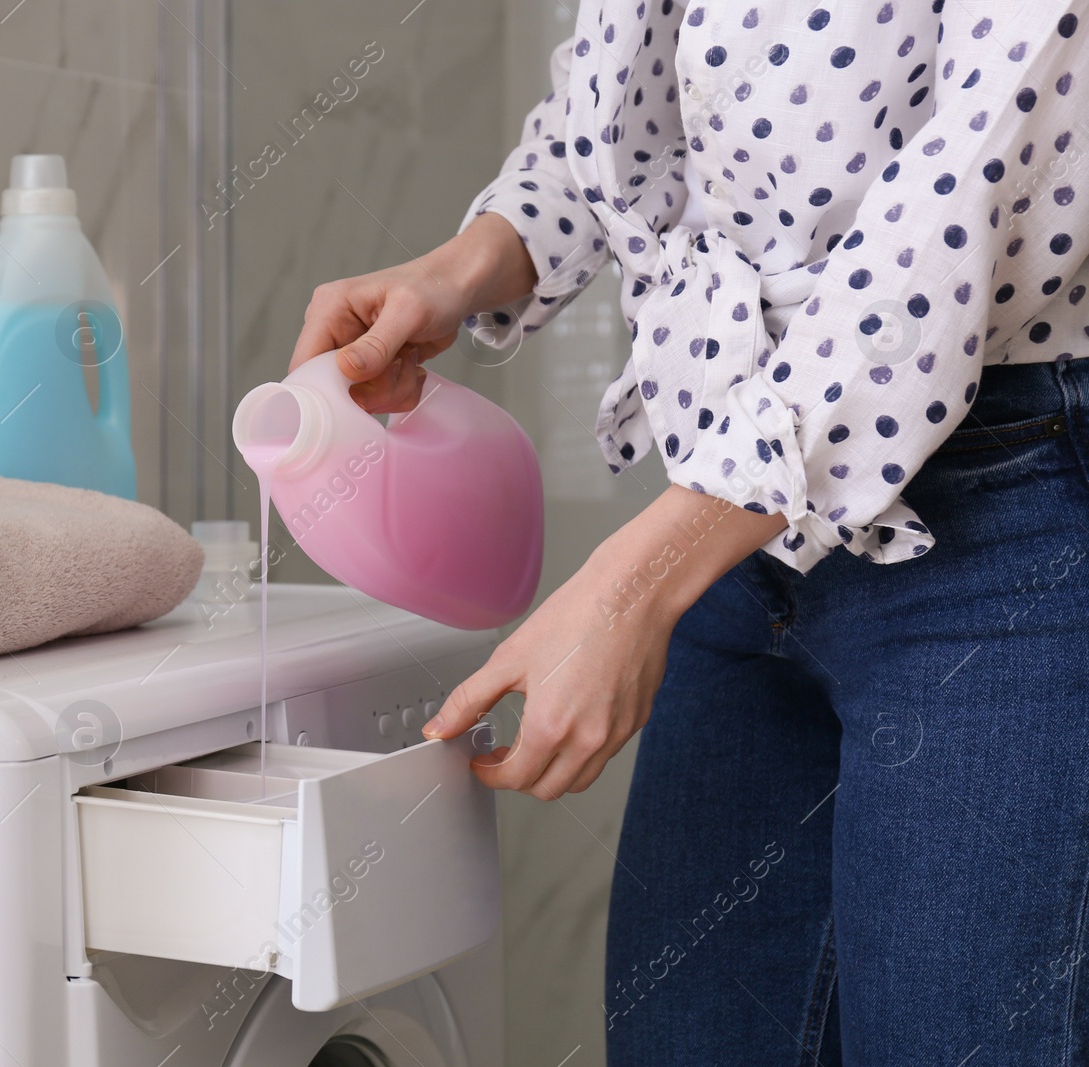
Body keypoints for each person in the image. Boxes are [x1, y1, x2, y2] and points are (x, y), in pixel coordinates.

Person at [289, 2, 1089, 1062]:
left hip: (992, 525)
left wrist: (634, 582)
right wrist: (464, 265)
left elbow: (959, 214)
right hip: (734, 530)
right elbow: (615, 111)